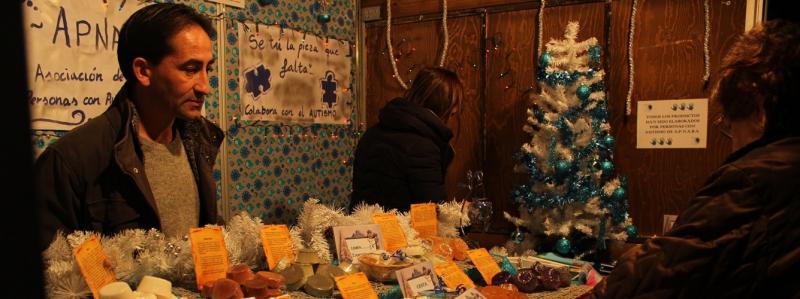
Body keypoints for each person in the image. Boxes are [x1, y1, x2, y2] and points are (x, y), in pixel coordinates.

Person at [594, 20, 800, 298]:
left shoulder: (755, 179)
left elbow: (664, 271)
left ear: (759, 110)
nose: (732, 142)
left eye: (731, 126)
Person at [35, 3, 224, 250]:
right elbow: (51, 272)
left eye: (207, 69)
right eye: (190, 69)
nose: (205, 86)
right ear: (143, 71)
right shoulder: (72, 159)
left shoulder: (200, 141)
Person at [349, 67, 464, 212]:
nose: (455, 111)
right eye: (454, 105)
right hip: (398, 232)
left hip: (360, 229)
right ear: (444, 105)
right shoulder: (423, 146)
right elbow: (434, 211)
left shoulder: (372, 133)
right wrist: (464, 215)